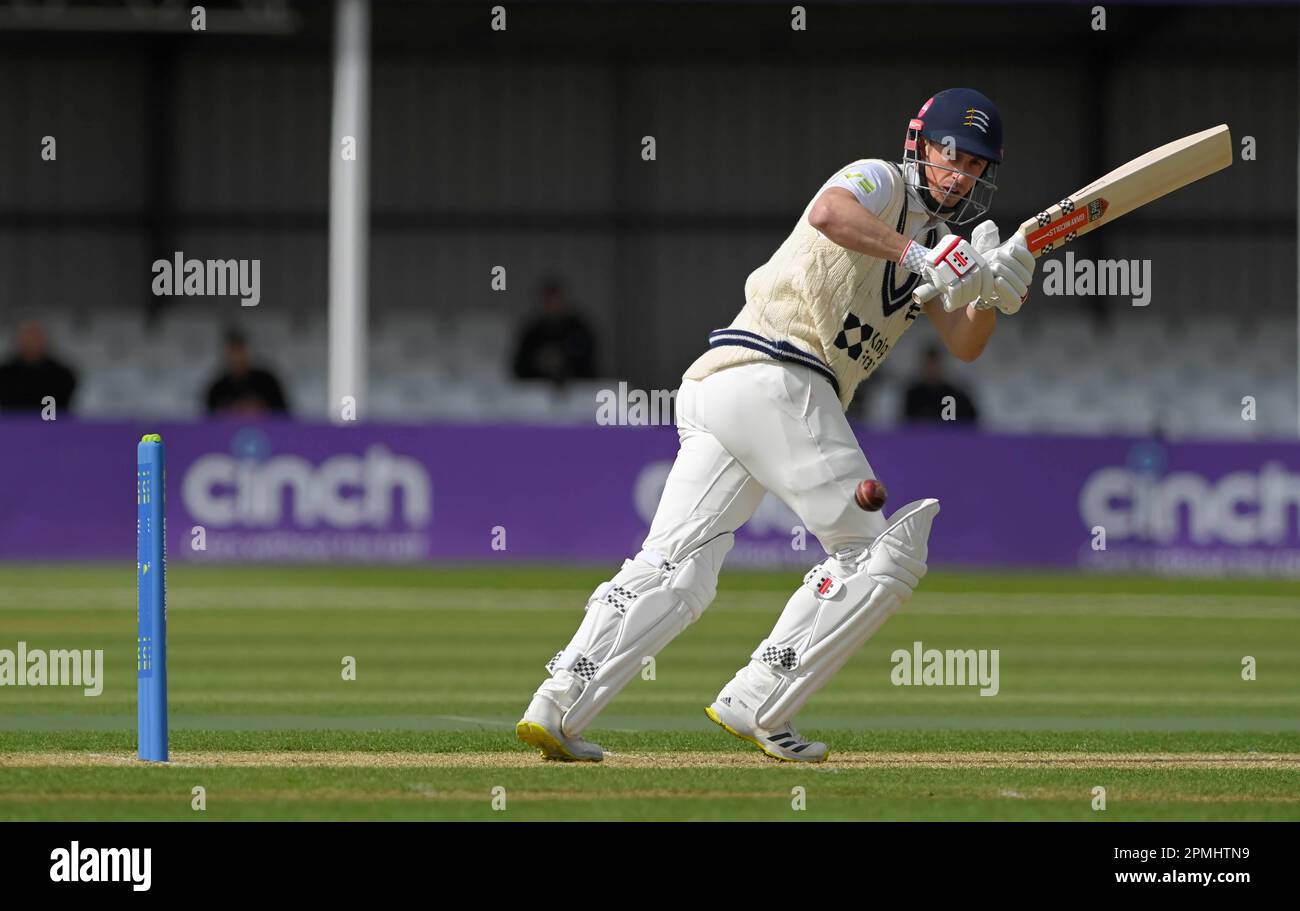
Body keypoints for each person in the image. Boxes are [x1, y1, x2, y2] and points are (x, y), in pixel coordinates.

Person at [516, 88, 1035, 763]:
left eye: (974, 165)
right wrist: (920, 257)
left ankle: (557, 705)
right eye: (949, 154)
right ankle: (761, 698)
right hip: (776, 373)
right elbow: (829, 212)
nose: (960, 172)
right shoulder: (879, 182)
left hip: (730, 391)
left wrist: (996, 291)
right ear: (920, 145)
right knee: (879, 555)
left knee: (677, 571)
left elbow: (965, 344)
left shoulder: (941, 247)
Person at [510, 276, 598, 385]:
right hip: (537, 395)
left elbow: (591, 365)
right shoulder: (532, 333)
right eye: (548, 300)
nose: (552, 305)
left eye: (555, 300)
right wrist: (540, 363)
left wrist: (565, 361)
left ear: (563, 300)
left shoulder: (579, 329)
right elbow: (519, 369)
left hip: (577, 393)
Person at [204, 329, 289, 416]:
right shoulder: (217, 388)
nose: (237, 358)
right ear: (225, 355)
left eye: (240, 351)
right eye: (232, 352)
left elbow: (283, 416)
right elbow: (208, 422)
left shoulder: (267, 381)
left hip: (263, 429)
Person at [0, 321, 77, 413]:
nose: (32, 343)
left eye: (36, 338)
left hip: (51, 425)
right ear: (20, 341)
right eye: (28, 338)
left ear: (44, 341)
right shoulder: (5, 375)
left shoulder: (62, 376)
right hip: (13, 426)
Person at [903, 345, 979, 424]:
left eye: (933, 365)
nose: (931, 370)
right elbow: (908, 424)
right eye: (928, 365)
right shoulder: (913, 395)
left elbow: (970, 422)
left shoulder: (955, 395)